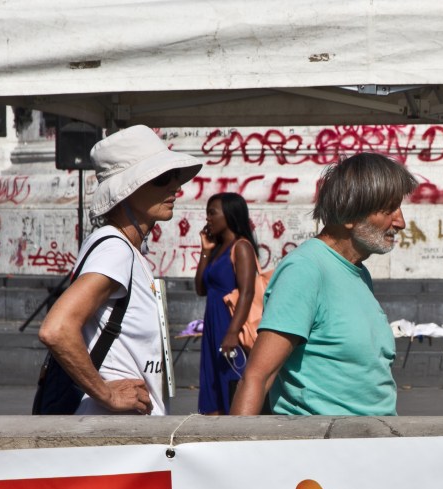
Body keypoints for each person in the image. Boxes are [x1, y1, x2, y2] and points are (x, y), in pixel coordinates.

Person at [231, 152, 417, 416]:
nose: (401, 222)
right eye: (388, 210)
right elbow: (257, 377)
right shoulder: (305, 270)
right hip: (324, 440)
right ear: (349, 213)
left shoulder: (357, 272)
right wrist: (235, 441)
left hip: (375, 439)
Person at [39, 125, 201, 416]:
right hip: (111, 433)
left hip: (123, 433)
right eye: (162, 178)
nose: (176, 187)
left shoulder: (124, 249)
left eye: (175, 176)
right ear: (128, 190)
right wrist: (108, 395)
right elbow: (56, 328)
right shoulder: (116, 250)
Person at [195, 192, 258, 414]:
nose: (208, 218)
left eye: (212, 213)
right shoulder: (218, 249)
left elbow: (247, 292)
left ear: (229, 214)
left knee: (230, 387)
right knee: (212, 392)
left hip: (230, 327)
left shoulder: (241, 247)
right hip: (212, 327)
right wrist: (205, 252)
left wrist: (232, 332)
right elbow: (200, 289)